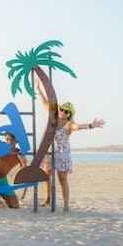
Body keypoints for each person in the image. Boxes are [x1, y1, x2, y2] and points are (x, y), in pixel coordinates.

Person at [35, 79, 106, 211]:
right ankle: (47, 199)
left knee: (62, 179)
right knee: (46, 176)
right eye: (61, 109)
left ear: (69, 115)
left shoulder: (69, 124)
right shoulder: (53, 118)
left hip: (62, 154)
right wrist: (38, 89)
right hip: (50, 152)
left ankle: (66, 206)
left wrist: (90, 125)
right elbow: (45, 103)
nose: (63, 112)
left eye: (66, 111)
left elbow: (77, 126)